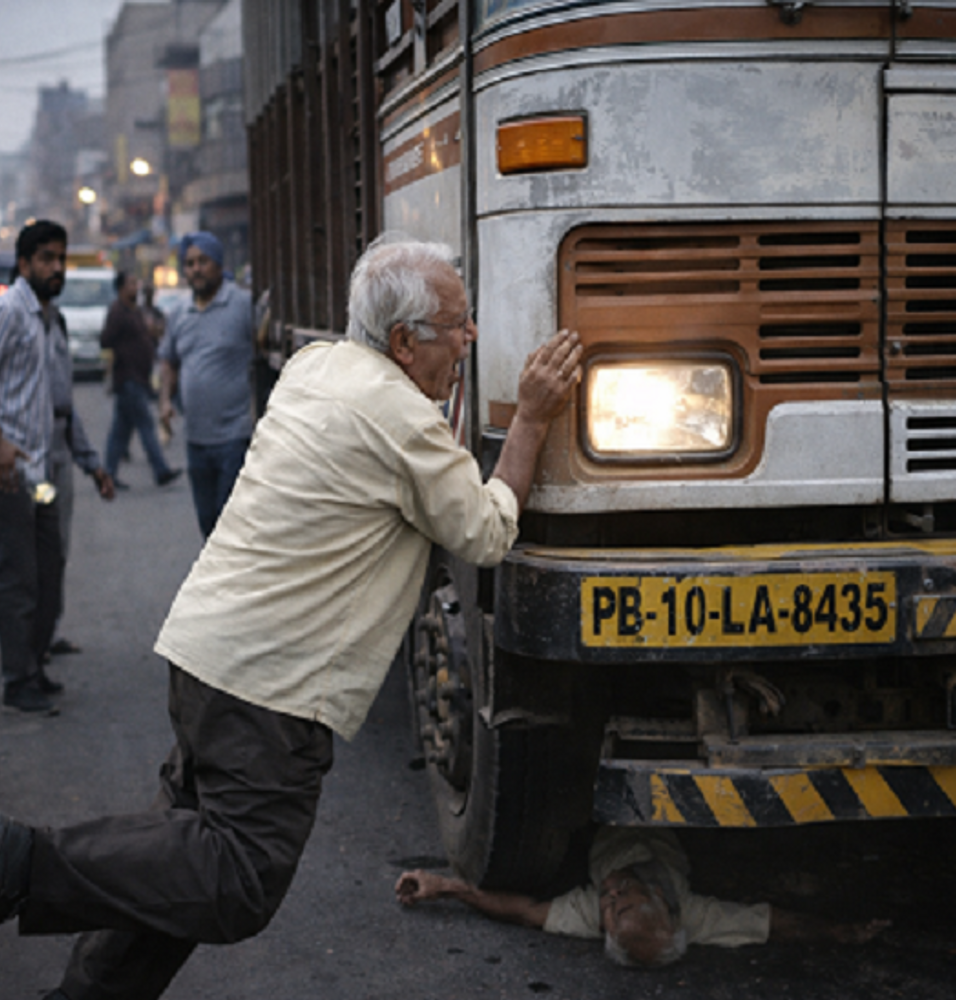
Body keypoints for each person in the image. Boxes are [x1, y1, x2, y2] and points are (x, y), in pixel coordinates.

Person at [0, 236, 583, 1000]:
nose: (472, 338)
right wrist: (534, 418)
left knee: (169, 872)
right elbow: (485, 531)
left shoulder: (318, 369)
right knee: (233, 880)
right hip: (267, 688)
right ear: (404, 343)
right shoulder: (401, 421)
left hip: (210, 654)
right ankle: (19, 861)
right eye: (458, 325)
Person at [396, 827, 891, 967]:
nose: (611, 895)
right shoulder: (693, 919)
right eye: (625, 899)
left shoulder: (591, 917)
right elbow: (772, 924)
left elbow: (524, 912)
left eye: (610, 907)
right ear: (663, 904)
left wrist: (447, 887)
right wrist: (839, 931)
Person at [0, 221, 83, 715]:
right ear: (26, 263)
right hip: (11, 477)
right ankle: (17, 678)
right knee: (19, 579)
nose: (57, 268)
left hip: (42, 477)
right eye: (47, 259)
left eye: (61, 259)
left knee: (48, 571)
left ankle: (34, 662)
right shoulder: (11, 311)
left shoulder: (47, 318)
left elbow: (57, 400)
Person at [158, 230, 254, 538]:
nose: (195, 269)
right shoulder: (179, 314)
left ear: (218, 264)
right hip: (196, 439)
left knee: (230, 527)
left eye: (203, 261)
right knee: (207, 522)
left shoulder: (242, 305)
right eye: (189, 264)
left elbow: (264, 352)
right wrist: (164, 403)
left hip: (235, 437)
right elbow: (169, 361)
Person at [46, 287, 115, 661]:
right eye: (46, 259)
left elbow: (64, 407)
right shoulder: (12, 319)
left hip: (57, 458)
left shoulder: (55, 323)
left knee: (55, 549)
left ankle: (44, 631)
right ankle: (24, 654)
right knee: (28, 558)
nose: (56, 268)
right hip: (24, 464)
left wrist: (92, 464)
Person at [101, 270, 181, 490]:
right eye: (131, 283)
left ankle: (108, 473)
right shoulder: (117, 312)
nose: (136, 287)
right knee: (145, 425)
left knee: (120, 430)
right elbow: (105, 339)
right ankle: (160, 469)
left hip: (138, 377)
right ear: (121, 288)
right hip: (128, 378)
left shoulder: (134, 311)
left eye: (136, 283)